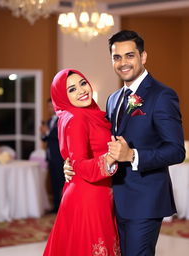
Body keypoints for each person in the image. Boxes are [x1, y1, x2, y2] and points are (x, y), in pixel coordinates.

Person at [64, 30, 185, 256]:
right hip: (112, 200)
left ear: (143, 56)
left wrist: (133, 156)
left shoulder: (162, 95)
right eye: (116, 57)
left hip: (145, 200)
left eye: (129, 55)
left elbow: (176, 151)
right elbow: (101, 143)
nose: (123, 63)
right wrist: (72, 164)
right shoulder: (113, 98)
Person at [43, 69, 121, 255]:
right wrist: (112, 157)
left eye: (83, 83)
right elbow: (78, 164)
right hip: (89, 195)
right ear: (62, 96)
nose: (81, 90)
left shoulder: (90, 115)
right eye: (71, 89)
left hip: (95, 192)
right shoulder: (76, 118)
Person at [40, 98, 65, 213]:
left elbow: (59, 137)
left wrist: (47, 132)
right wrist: (43, 133)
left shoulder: (62, 120)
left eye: (51, 106)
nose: (50, 109)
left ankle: (64, 207)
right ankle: (55, 207)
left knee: (62, 183)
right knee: (54, 183)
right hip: (50, 157)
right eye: (49, 106)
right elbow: (46, 139)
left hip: (60, 157)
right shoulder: (49, 120)